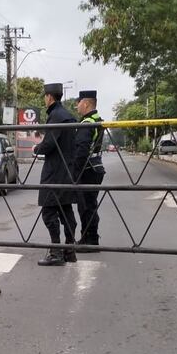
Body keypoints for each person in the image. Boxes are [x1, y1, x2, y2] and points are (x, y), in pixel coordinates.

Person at [34, 82, 77, 266]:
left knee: (49, 211)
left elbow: (49, 144)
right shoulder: (69, 116)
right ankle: (69, 250)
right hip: (68, 170)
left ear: (49, 97)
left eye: (45, 96)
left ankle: (56, 252)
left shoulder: (56, 116)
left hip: (54, 172)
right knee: (66, 210)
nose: (45, 99)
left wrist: (37, 148)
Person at [73, 90, 105, 250]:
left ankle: (90, 240)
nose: (76, 106)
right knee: (90, 205)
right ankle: (90, 238)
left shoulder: (86, 123)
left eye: (78, 103)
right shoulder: (97, 119)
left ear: (85, 103)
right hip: (96, 167)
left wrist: (74, 172)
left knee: (85, 206)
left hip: (87, 170)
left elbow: (81, 150)